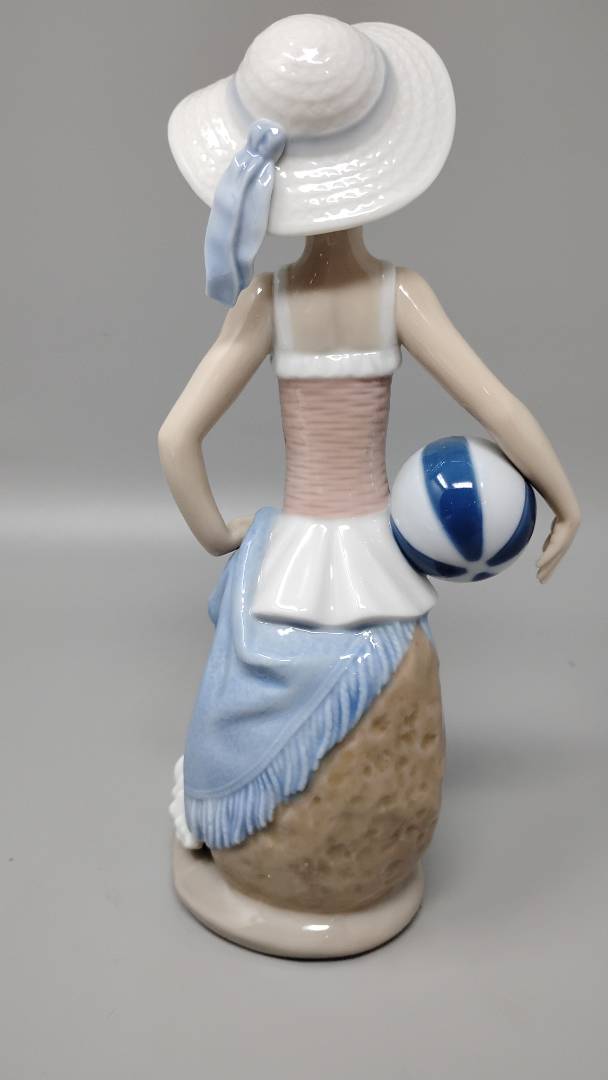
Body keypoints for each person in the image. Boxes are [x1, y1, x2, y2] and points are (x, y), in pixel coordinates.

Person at [160, 15, 579, 954]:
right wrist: (563, 495)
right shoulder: (400, 290)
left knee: (241, 688)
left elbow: (175, 437)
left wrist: (219, 534)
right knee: (394, 669)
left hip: (290, 553)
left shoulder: (271, 298)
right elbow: (499, 406)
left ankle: (259, 841)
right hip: (374, 552)